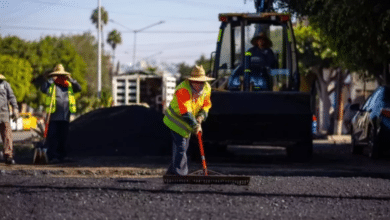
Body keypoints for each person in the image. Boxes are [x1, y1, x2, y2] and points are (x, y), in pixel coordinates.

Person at [163, 65, 214, 176]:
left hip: (188, 122)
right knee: (181, 146)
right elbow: (186, 112)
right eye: (196, 82)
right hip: (175, 120)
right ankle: (180, 174)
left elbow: (206, 105)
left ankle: (172, 172)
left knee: (182, 147)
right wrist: (196, 126)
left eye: (201, 82)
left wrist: (201, 116)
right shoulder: (183, 90)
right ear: (191, 81)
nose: (199, 84)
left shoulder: (207, 88)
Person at [40, 64, 81, 163]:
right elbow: (42, 89)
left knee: (63, 137)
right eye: (58, 75)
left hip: (65, 116)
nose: (60, 77)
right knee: (53, 137)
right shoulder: (51, 85)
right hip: (53, 116)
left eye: (61, 75)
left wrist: (71, 79)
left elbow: (79, 88)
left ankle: (62, 156)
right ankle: (53, 157)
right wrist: (51, 80)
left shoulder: (68, 84)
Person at [0, 74, 19, 165]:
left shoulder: (5, 84)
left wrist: (15, 108)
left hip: (4, 113)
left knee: (7, 135)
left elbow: (11, 97)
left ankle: (8, 155)